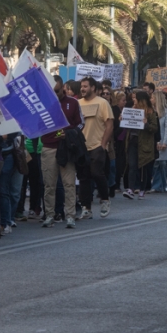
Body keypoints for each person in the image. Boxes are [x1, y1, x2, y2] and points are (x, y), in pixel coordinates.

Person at [40, 75, 82, 229]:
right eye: (52, 91)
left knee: (69, 184)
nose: (55, 94)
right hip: (48, 147)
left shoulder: (73, 103)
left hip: (66, 148)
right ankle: (49, 215)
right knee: (49, 185)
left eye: (57, 90)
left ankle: (70, 216)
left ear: (63, 87)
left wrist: (69, 134)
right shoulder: (43, 104)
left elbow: (80, 124)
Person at [77, 77, 113, 216]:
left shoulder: (102, 103)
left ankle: (104, 199)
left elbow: (109, 124)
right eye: (81, 86)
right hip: (82, 147)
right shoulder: (78, 103)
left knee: (97, 173)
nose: (82, 89)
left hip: (97, 145)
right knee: (84, 177)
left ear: (93, 88)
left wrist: (103, 144)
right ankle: (86, 207)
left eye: (85, 86)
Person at [123, 89, 158, 200]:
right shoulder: (132, 110)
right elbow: (126, 124)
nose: (134, 100)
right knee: (132, 166)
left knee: (143, 167)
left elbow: (155, 128)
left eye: (136, 98)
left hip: (144, 144)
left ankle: (142, 189)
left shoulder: (151, 112)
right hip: (133, 141)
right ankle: (131, 189)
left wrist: (146, 124)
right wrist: (123, 119)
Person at [151, 89, 167, 193]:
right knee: (156, 164)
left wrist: (164, 142)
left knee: (162, 164)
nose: (150, 99)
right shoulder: (151, 111)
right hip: (153, 141)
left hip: (162, 140)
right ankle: (157, 185)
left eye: (152, 98)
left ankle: (161, 185)